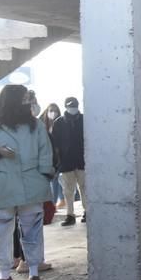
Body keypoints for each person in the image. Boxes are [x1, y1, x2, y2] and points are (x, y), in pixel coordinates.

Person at [0, 85, 54, 280]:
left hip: (31, 183)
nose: (27, 101)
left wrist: (44, 173)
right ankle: (3, 274)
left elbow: (45, 151)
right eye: (23, 98)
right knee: (1, 232)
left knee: (32, 230)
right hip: (3, 185)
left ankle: (33, 272)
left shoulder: (35, 125)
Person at [51, 97, 86, 226]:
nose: (73, 108)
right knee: (68, 190)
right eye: (71, 106)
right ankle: (70, 214)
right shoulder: (59, 122)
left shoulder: (84, 119)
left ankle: (87, 211)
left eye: (74, 106)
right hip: (66, 162)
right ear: (66, 106)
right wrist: (58, 162)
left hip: (82, 160)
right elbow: (55, 144)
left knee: (84, 188)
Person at [39, 104, 64, 208]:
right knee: (52, 180)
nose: (53, 113)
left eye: (56, 111)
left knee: (56, 179)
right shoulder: (40, 124)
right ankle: (56, 202)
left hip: (57, 157)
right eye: (51, 110)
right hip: (46, 156)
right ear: (46, 111)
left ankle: (58, 201)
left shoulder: (59, 123)